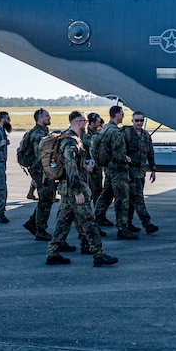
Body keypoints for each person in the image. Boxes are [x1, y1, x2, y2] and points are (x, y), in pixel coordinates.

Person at [46, 112, 119, 267]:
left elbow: (76, 166)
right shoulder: (70, 142)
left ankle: (53, 253)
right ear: (79, 122)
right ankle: (99, 255)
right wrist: (78, 190)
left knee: (63, 222)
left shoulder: (73, 140)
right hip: (73, 190)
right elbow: (70, 167)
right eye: (86, 121)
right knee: (89, 221)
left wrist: (85, 172)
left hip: (69, 189)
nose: (88, 124)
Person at [94, 106, 136, 240]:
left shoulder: (105, 128)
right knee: (122, 198)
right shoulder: (116, 132)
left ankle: (97, 217)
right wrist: (126, 160)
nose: (123, 116)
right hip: (118, 170)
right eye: (122, 114)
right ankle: (122, 228)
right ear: (116, 115)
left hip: (109, 168)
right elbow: (118, 154)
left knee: (106, 194)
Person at [19, 108, 54, 241]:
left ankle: (33, 223)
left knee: (47, 198)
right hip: (40, 171)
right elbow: (40, 155)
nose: (49, 118)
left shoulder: (43, 132)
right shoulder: (37, 135)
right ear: (40, 119)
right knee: (46, 199)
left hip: (42, 170)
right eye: (47, 116)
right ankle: (40, 229)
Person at [124, 111, 159, 234]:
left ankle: (128, 223)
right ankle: (147, 224)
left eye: (141, 121)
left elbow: (150, 153)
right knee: (138, 198)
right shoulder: (127, 134)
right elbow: (121, 151)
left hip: (141, 172)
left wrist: (153, 170)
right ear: (132, 121)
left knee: (133, 200)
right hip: (131, 173)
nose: (139, 123)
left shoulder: (145, 135)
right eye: (137, 120)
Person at [82, 113, 105, 209]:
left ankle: (97, 212)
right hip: (89, 166)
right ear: (92, 123)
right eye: (98, 122)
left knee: (97, 189)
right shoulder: (87, 134)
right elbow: (91, 143)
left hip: (96, 166)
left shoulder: (96, 132)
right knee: (93, 190)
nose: (100, 124)